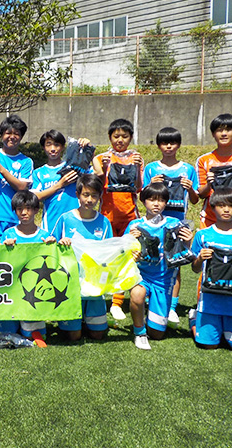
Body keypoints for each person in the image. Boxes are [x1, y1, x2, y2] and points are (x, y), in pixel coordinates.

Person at [190, 188, 232, 352]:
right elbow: (195, 268)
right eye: (221, 205)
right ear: (213, 207)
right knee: (209, 345)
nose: (226, 210)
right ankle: (194, 319)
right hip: (209, 302)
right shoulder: (203, 235)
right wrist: (200, 259)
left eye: (231, 206)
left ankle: (224, 329)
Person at [125, 183, 192, 350]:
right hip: (142, 276)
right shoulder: (135, 225)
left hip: (164, 280)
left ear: (166, 203)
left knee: (157, 334)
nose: (156, 204)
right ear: (143, 201)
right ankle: (139, 332)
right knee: (137, 293)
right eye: (152, 199)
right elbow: (123, 254)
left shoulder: (174, 224)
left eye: (161, 200)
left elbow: (184, 253)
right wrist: (130, 243)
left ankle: (188, 317)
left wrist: (188, 242)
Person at [143, 127, 199, 326]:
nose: (168, 146)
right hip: (153, 223)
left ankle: (172, 307)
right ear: (158, 145)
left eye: (172, 142)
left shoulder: (188, 169)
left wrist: (190, 189)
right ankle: (150, 302)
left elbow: (195, 200)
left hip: (176, 223)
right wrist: (150, 183)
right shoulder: (151, 168)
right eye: (164, 143)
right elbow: (143, 195)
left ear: (179, 145)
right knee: (151, 260)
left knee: (175, 264)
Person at [92, 118, 143, 321]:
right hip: (107, 216)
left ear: (131, 138)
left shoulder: (136, 158)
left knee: (126, 259)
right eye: (116, 136)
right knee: (106, 259)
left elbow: (139, 187)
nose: (120, 140)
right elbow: (96, 184)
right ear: (109, 137)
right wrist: (103, 168)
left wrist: (138, 168)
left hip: (130, 216)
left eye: (124, 136)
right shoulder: (101, 157)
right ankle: (98, 298)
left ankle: (117, 302)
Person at [55, 174, 113, 341]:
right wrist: (60, 243)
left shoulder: (104, 222)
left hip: (94, 284)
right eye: (85, 195)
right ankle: (73, 322)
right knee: (74, 336)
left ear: (100, 197)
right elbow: (51, 246)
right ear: (77, 195)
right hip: (71, 285)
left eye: (94, 195)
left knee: (97, 335)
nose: (89, 200)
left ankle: (89, 320)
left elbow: (110, 251)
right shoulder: (65, 219)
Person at [0, 190, 55, 338]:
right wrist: (2, 246)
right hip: (11, 292)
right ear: (14, 211)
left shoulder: (45, 236)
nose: (24, 212)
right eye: (19, 209)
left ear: (36, 210)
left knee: (33, 336)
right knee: (6, 335)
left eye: (28, 208)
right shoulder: (8, 234)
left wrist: (54, 245)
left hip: (34, 295)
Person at [31, 129, 91, 233]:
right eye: (48, 145)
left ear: (63, 147)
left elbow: (98, 173)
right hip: (51, 223)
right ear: (43, 147)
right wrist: (59, 185)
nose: (53, 149)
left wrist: (89, 149)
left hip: (75, 221)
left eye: (57, 145)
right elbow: (35, 197)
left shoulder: (73, 166)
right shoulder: (39, 172)